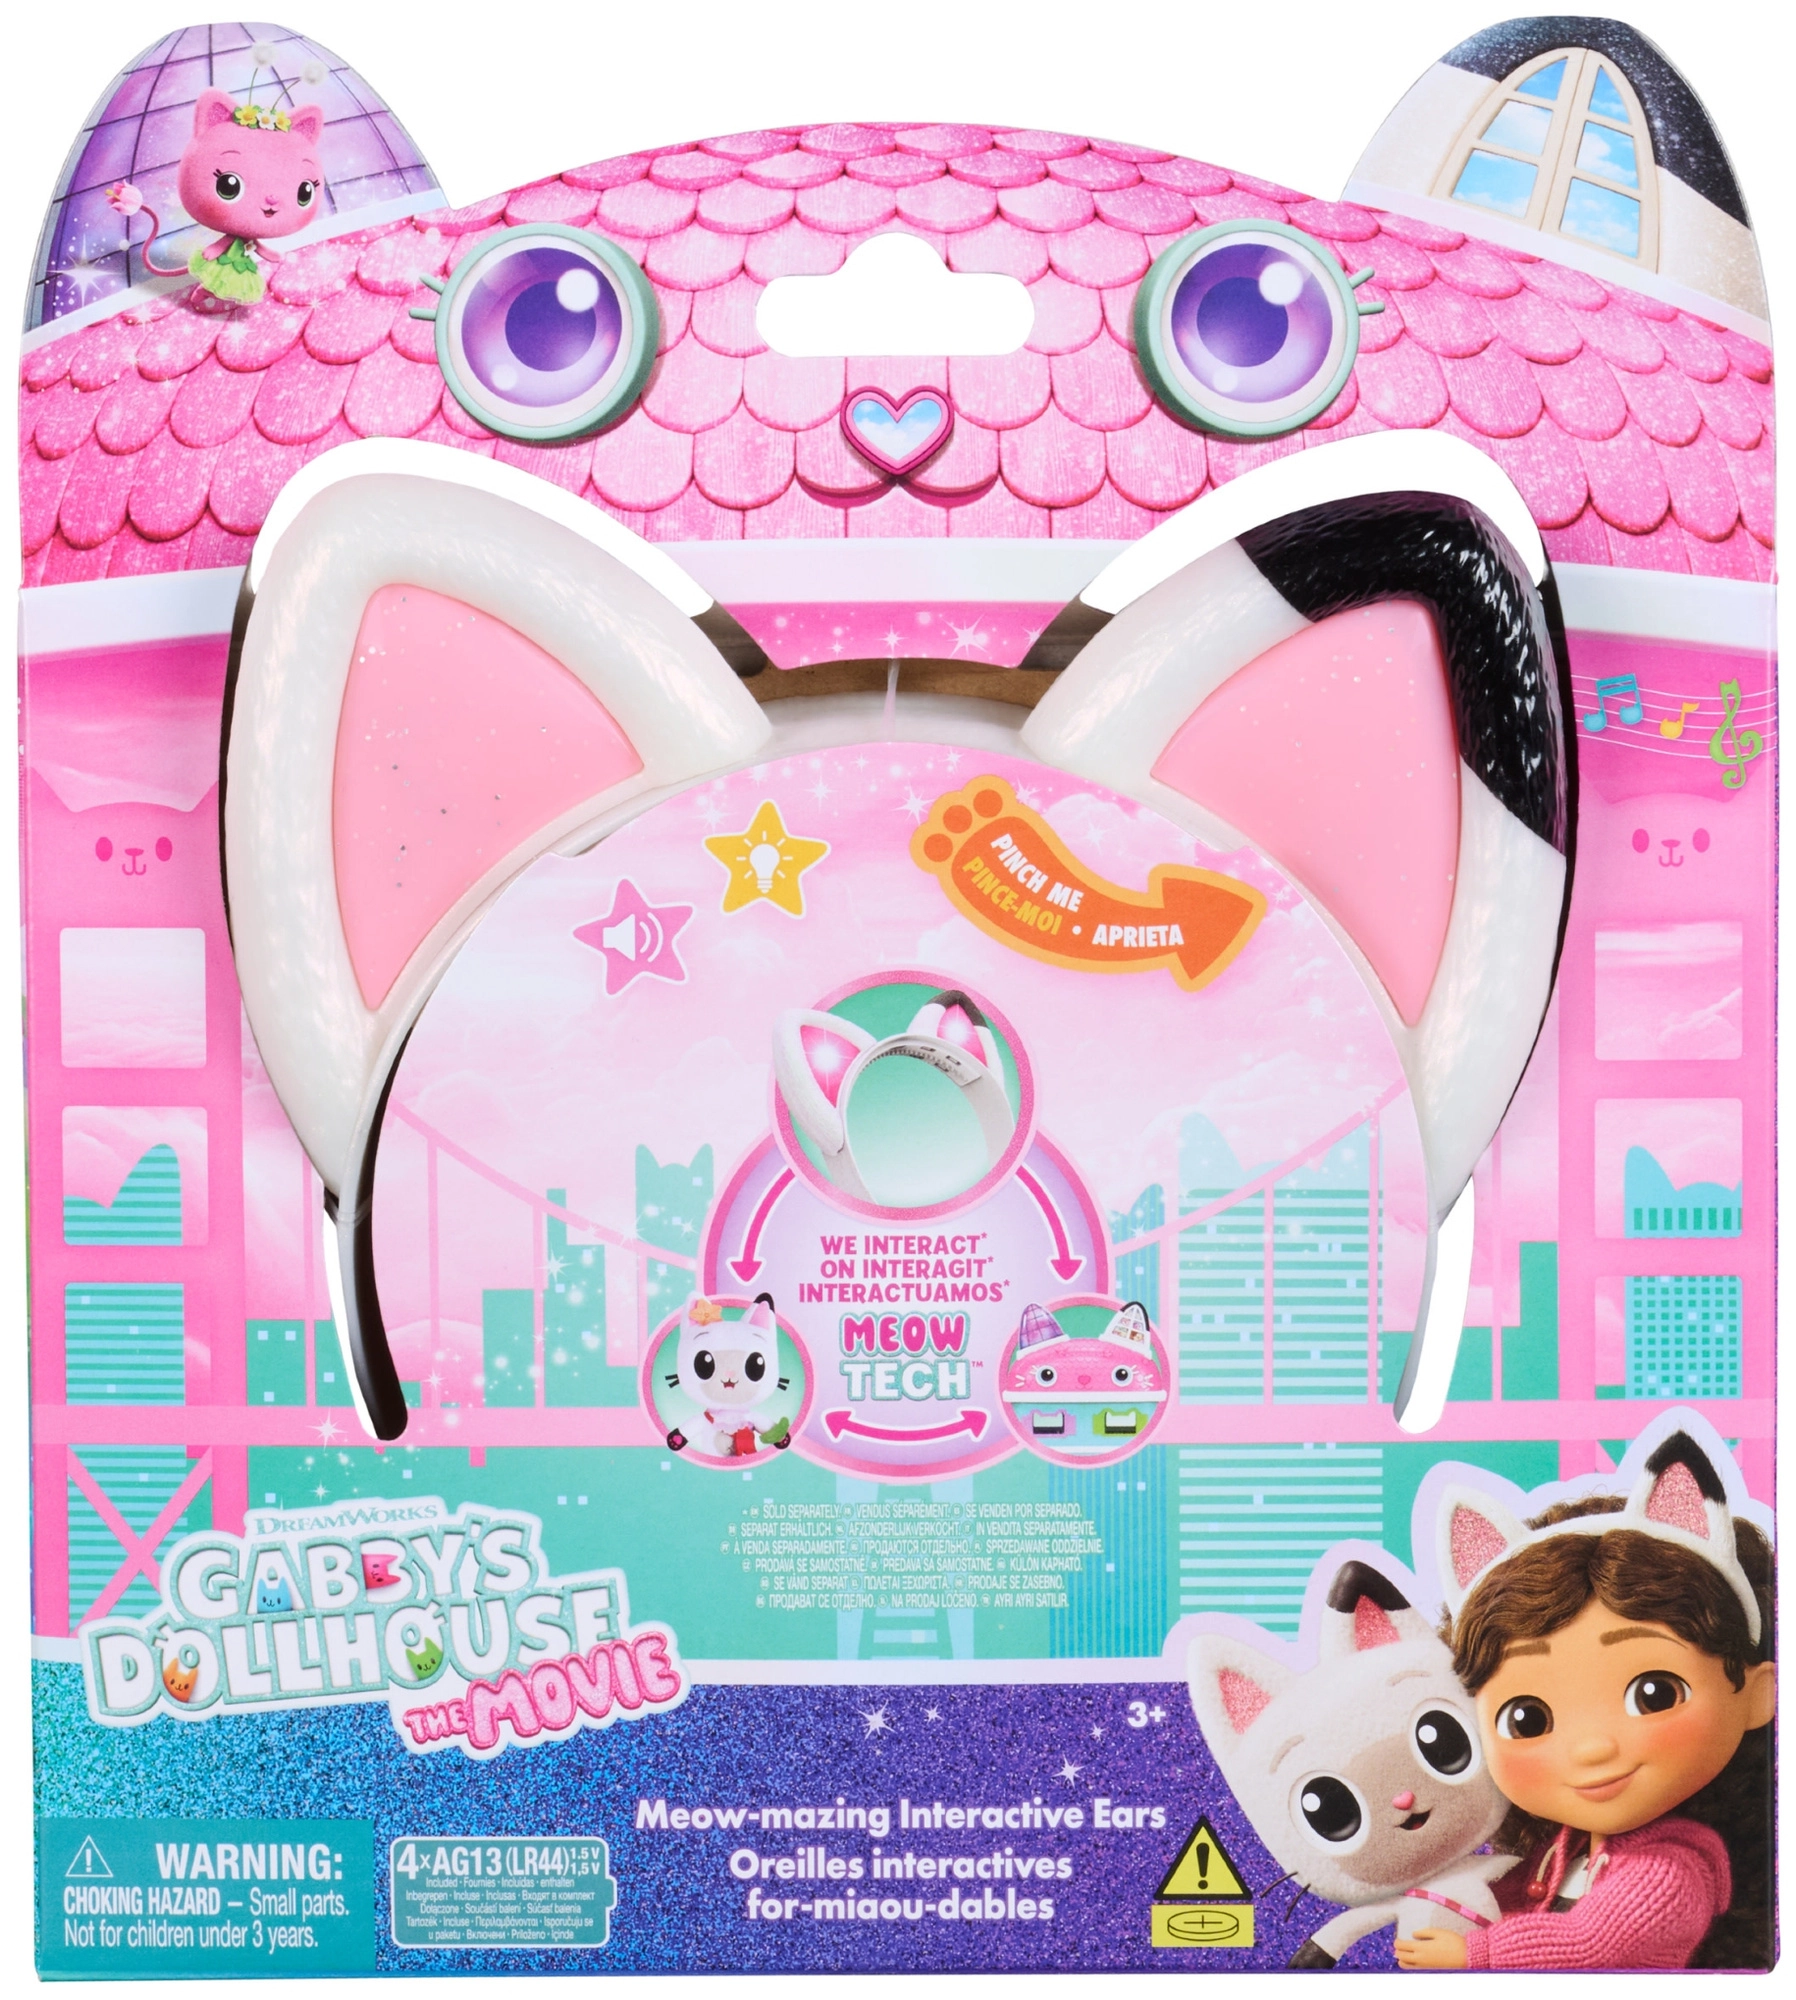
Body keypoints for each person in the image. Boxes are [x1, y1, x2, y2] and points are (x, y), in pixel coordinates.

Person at [1396, 1431, 1774, 1970]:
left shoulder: (1668, 1874)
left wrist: (1474, 1952)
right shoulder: (1561, 1851)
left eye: (1655, 1694)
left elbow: (1592, 1941)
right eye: (1527, 1719)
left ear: (1758, 1694)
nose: (1592, 1747)